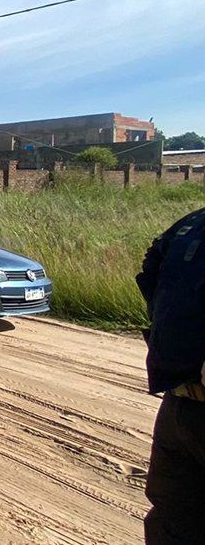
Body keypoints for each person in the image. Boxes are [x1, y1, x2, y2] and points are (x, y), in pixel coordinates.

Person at [136, 206, 205, 544]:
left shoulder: (192, 223)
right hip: (182, 404)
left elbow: (151, 268)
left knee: (172, 520)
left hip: (179, 397)